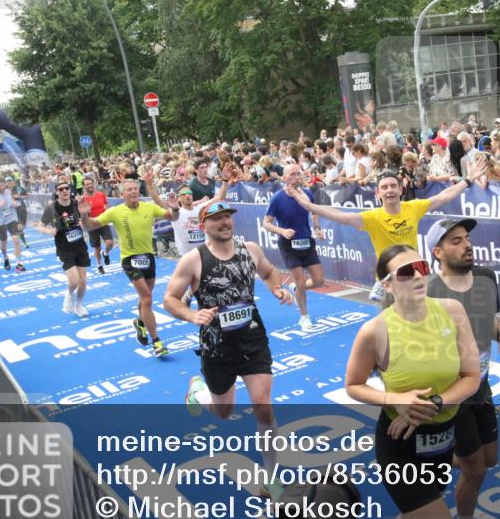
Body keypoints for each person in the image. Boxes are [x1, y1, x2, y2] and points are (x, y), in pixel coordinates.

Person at [345, 245, 480, 519]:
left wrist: (436, 402)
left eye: (421, 265)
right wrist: (396, 399)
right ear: (388, 284)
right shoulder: (375, 330)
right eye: (406, 271)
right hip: (400, 446)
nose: (419, 274)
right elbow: (353, 385)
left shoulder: (451, 311)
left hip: (441, 442)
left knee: (412, 517)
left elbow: (472, 376)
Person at [163, 201, 294, 498]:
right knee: (223, 412)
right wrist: (191, 315)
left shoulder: (250, 248)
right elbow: (170, 299)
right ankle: (199, 391)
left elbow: (270, 271)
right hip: (216, 344)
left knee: (263, 405)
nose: (224, 223)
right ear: (202, 225)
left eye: (227, 217)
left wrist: (276, 289)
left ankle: (271, 477)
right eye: (217, 219)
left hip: (251, 336)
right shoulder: (193, 260)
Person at [425, 218, 500, 519]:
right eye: (455, 241)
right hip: (451, 395)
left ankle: (448, 452)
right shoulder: (428, 292)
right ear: (437, 252)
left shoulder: (486, 277)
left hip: (481, 386)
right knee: (476, 468)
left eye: (466, 238)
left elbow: (489, 318)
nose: (466, 245)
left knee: (489, 459)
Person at [286, 159, 487, 301]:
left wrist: (467, 180)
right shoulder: (372, 217)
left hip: (416, 275)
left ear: (400, 190)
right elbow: (342, 216)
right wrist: (311, 207)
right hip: (389, 280)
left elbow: (444, 196)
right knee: (391, 326)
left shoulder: (413, 208)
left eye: (393, 186)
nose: (389, 190)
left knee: (420, 318)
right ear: (378, 193)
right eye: (384, 187)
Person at [79, 172, 179, 357]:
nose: (133, 192)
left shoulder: (149, 207)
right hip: (129, 260)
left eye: (135, 188)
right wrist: (84, 216)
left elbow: (173, 218)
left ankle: (140, 322)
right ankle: (156, 341)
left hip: (148, 257)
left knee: (144, 298)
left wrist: (175, 209)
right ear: (122, 194)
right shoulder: (115, 211)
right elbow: (90, 225)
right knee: (148, 298)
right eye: (129, 189)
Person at [263, 163, 326, 329]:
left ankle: (296, 288)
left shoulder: (306, 194)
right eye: (292, 174)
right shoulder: (277, 198)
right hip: (288, 245)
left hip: (307, 241)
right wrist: (281, 231)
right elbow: (266, 223)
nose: (296, 177)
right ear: (284, 178)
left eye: (298, 174)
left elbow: (314, 211)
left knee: (319, 281)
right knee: (301, 281)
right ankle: (304, 316)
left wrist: (317, 228)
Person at [38, 180, 91, 317]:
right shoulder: (52, 208)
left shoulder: (76, 203)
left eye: (66, 188)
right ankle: (69, 293)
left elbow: (86, 223)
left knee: (83, 280)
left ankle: (79, 305)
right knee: (74, 281)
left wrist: (83, 220)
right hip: (64, 248)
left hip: (80, 245)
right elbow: (40, 225)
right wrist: (49, 231)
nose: (64, 191)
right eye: (61, 189)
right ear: (57, 192)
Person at [0, 176, 25, 272]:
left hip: (11, 219)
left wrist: (14, 203)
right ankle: (5, 257)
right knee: (4, 242)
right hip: (0, 222)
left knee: (16, 240)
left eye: (4, 186)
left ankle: (19, 264)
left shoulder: (8, 192)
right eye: (0, 186)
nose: (2, 188)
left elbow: (11, 200)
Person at [80, 175, 115, 274]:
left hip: (103, 222)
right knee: (97, 247)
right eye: (87, 184)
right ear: (83, 186)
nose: (89, 185)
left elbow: (106, 206)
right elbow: (83, 215)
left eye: (91, 183)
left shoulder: (100, 195)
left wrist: (108, 214)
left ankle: (106, 253)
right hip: (92, 225)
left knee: (110, 243)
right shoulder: (83, 199)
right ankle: (100, 265)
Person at [9, 176, 30, 250]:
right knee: (19, 226)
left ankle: (18, 235)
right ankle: (25, 242)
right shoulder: (4, 190)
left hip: (22, 209)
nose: (9, 183)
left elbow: (27, 195)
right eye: (7, 182)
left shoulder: (19, 188)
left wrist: (19, 196)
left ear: (13, 182)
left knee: (23, 225)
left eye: (10, 181)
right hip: (13, 211)